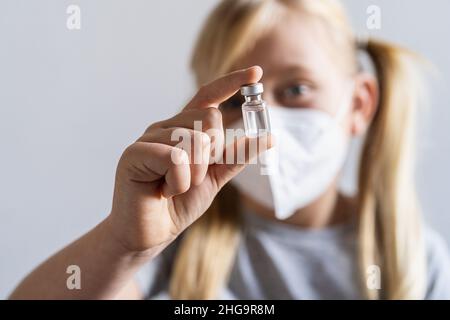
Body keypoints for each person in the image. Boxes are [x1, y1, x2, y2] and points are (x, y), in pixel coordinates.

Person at [10, 0, 450, 300]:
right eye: (239, 99)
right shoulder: (173, 248)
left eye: (296, 89)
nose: (265, 118)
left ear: (358, 104)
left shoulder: (412, 259)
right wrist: (125, 244)